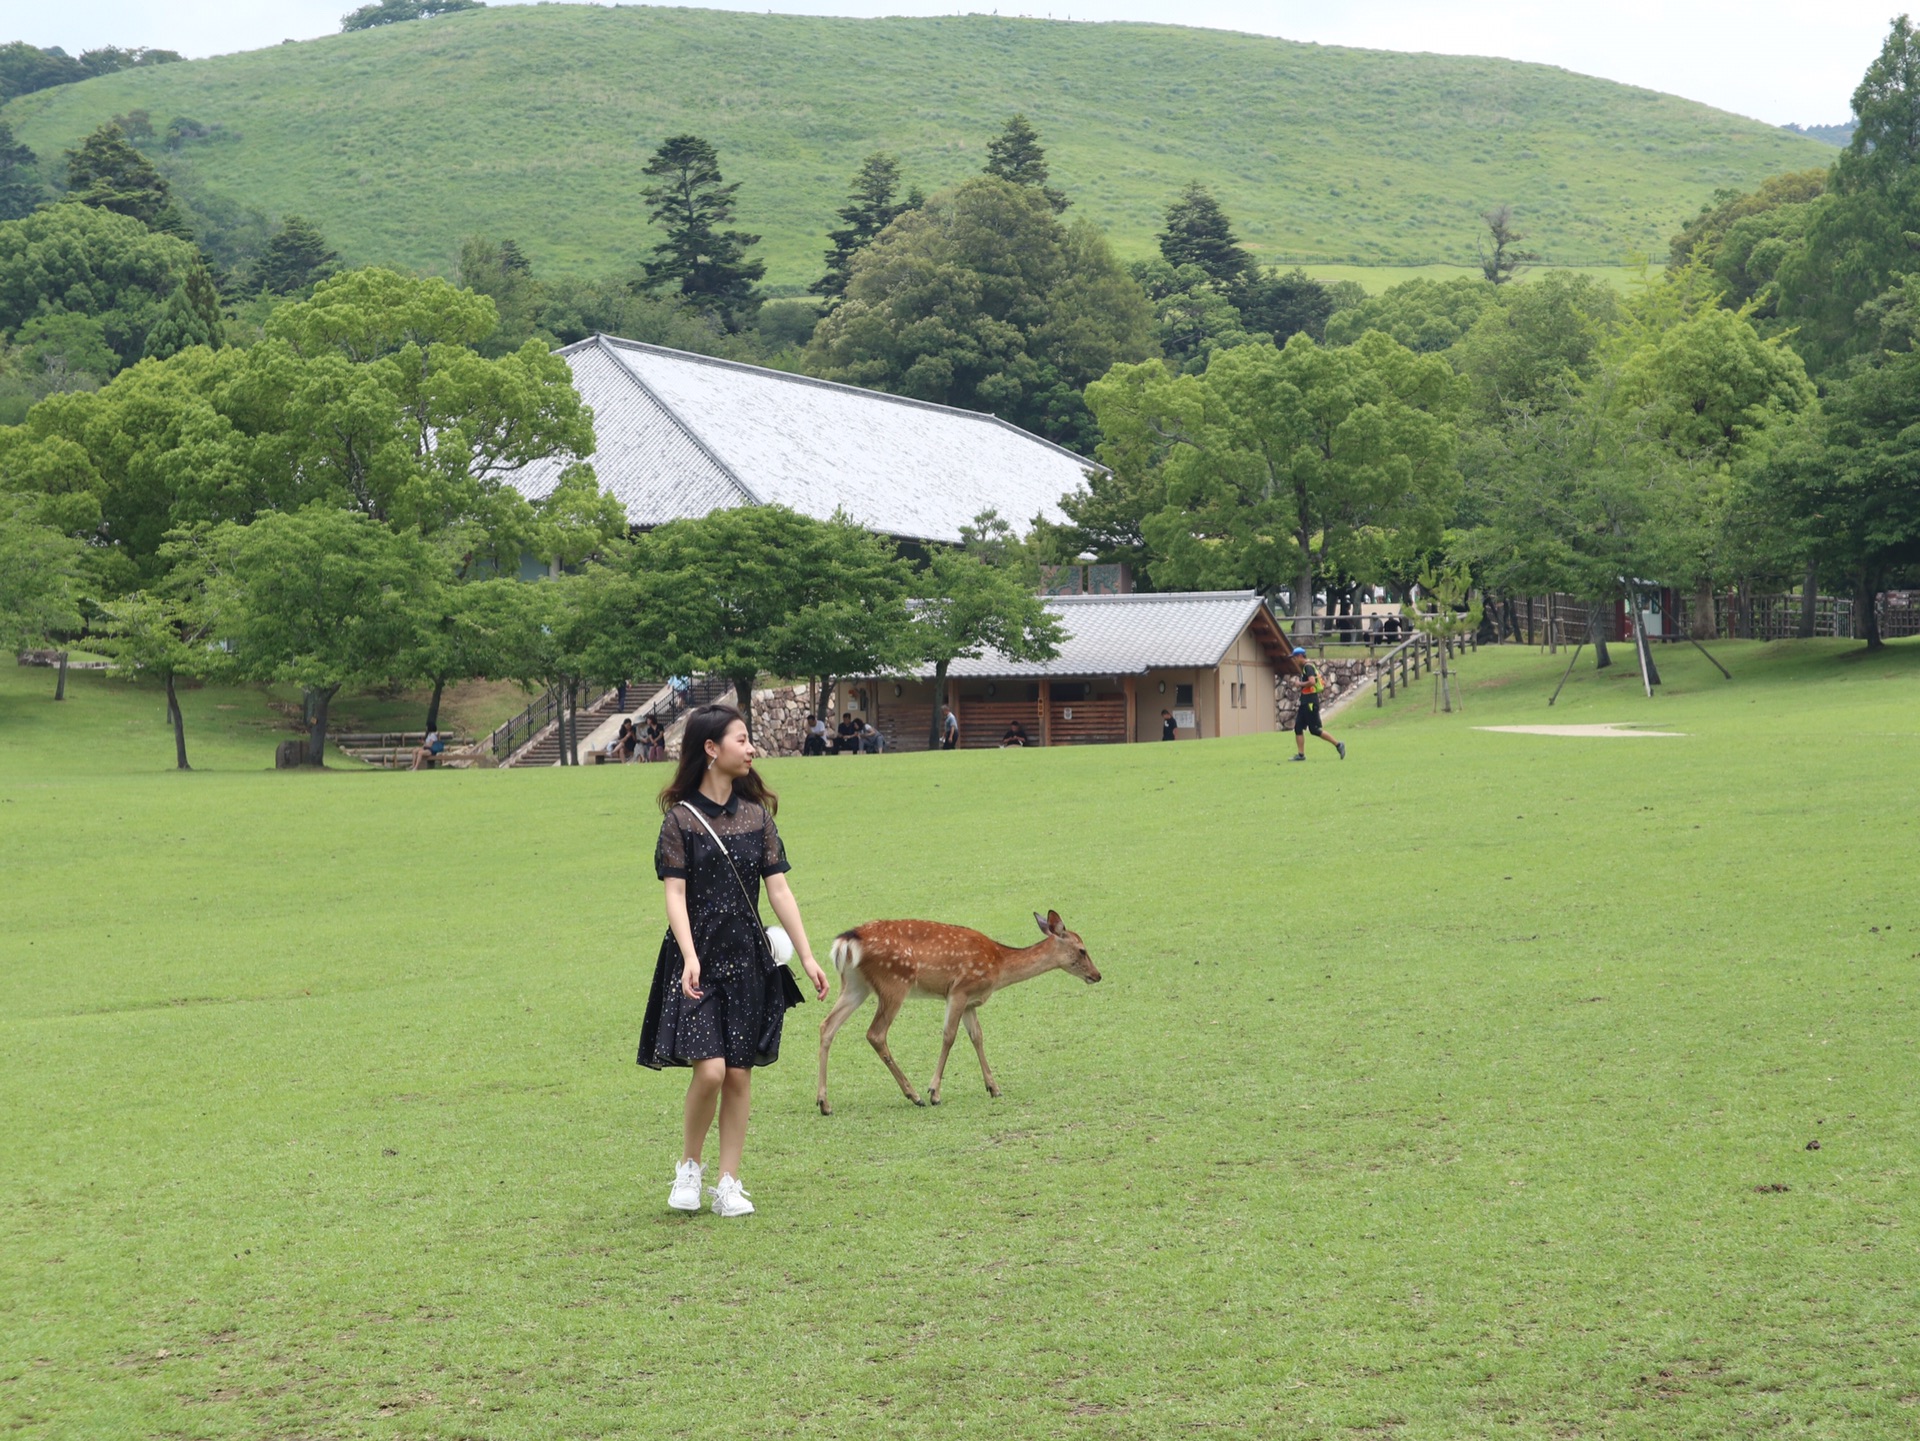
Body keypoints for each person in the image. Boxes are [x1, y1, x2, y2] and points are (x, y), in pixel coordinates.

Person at [639, 704, 830, 1218]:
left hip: (748, 959)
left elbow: (780, 890)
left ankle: (728, 1182)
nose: (751, 749)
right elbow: (675, 896)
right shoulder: (679, 821)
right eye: (741, 740)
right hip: (696, 959)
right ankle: (689, 1169)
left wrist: (807, 955)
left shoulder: (757, 818)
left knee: (740, 1076)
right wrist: (688, 954)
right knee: (711, 1072)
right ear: (711, 749)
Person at [1288, 647, 1346, 762]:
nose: (1294, 660)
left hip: (1310, 702)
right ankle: (1301, 755)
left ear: (1300, 656)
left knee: (1314, 730)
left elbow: (1312, 682)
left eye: (1295, 658)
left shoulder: (1308, 667)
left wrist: (1299, 684)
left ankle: (1338, 744)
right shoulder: (1305, 667)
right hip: (1305, 701)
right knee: (1298, 727)